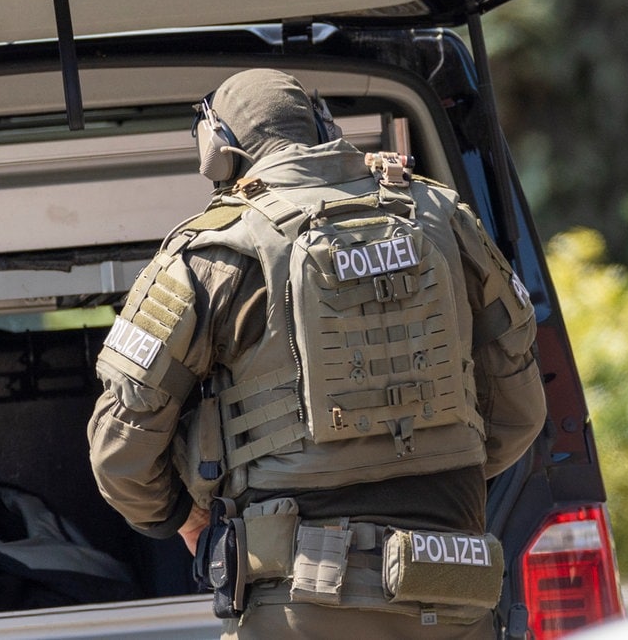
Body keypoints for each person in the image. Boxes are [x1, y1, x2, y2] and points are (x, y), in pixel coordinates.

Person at [87, 68, 546, 638]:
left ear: (219, 151)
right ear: (323, 126)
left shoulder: (214, 253)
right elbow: (520, 412)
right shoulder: (444, 217)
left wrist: (183, 517)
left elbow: (121, 456)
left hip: (301, 600)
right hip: (454, 584)